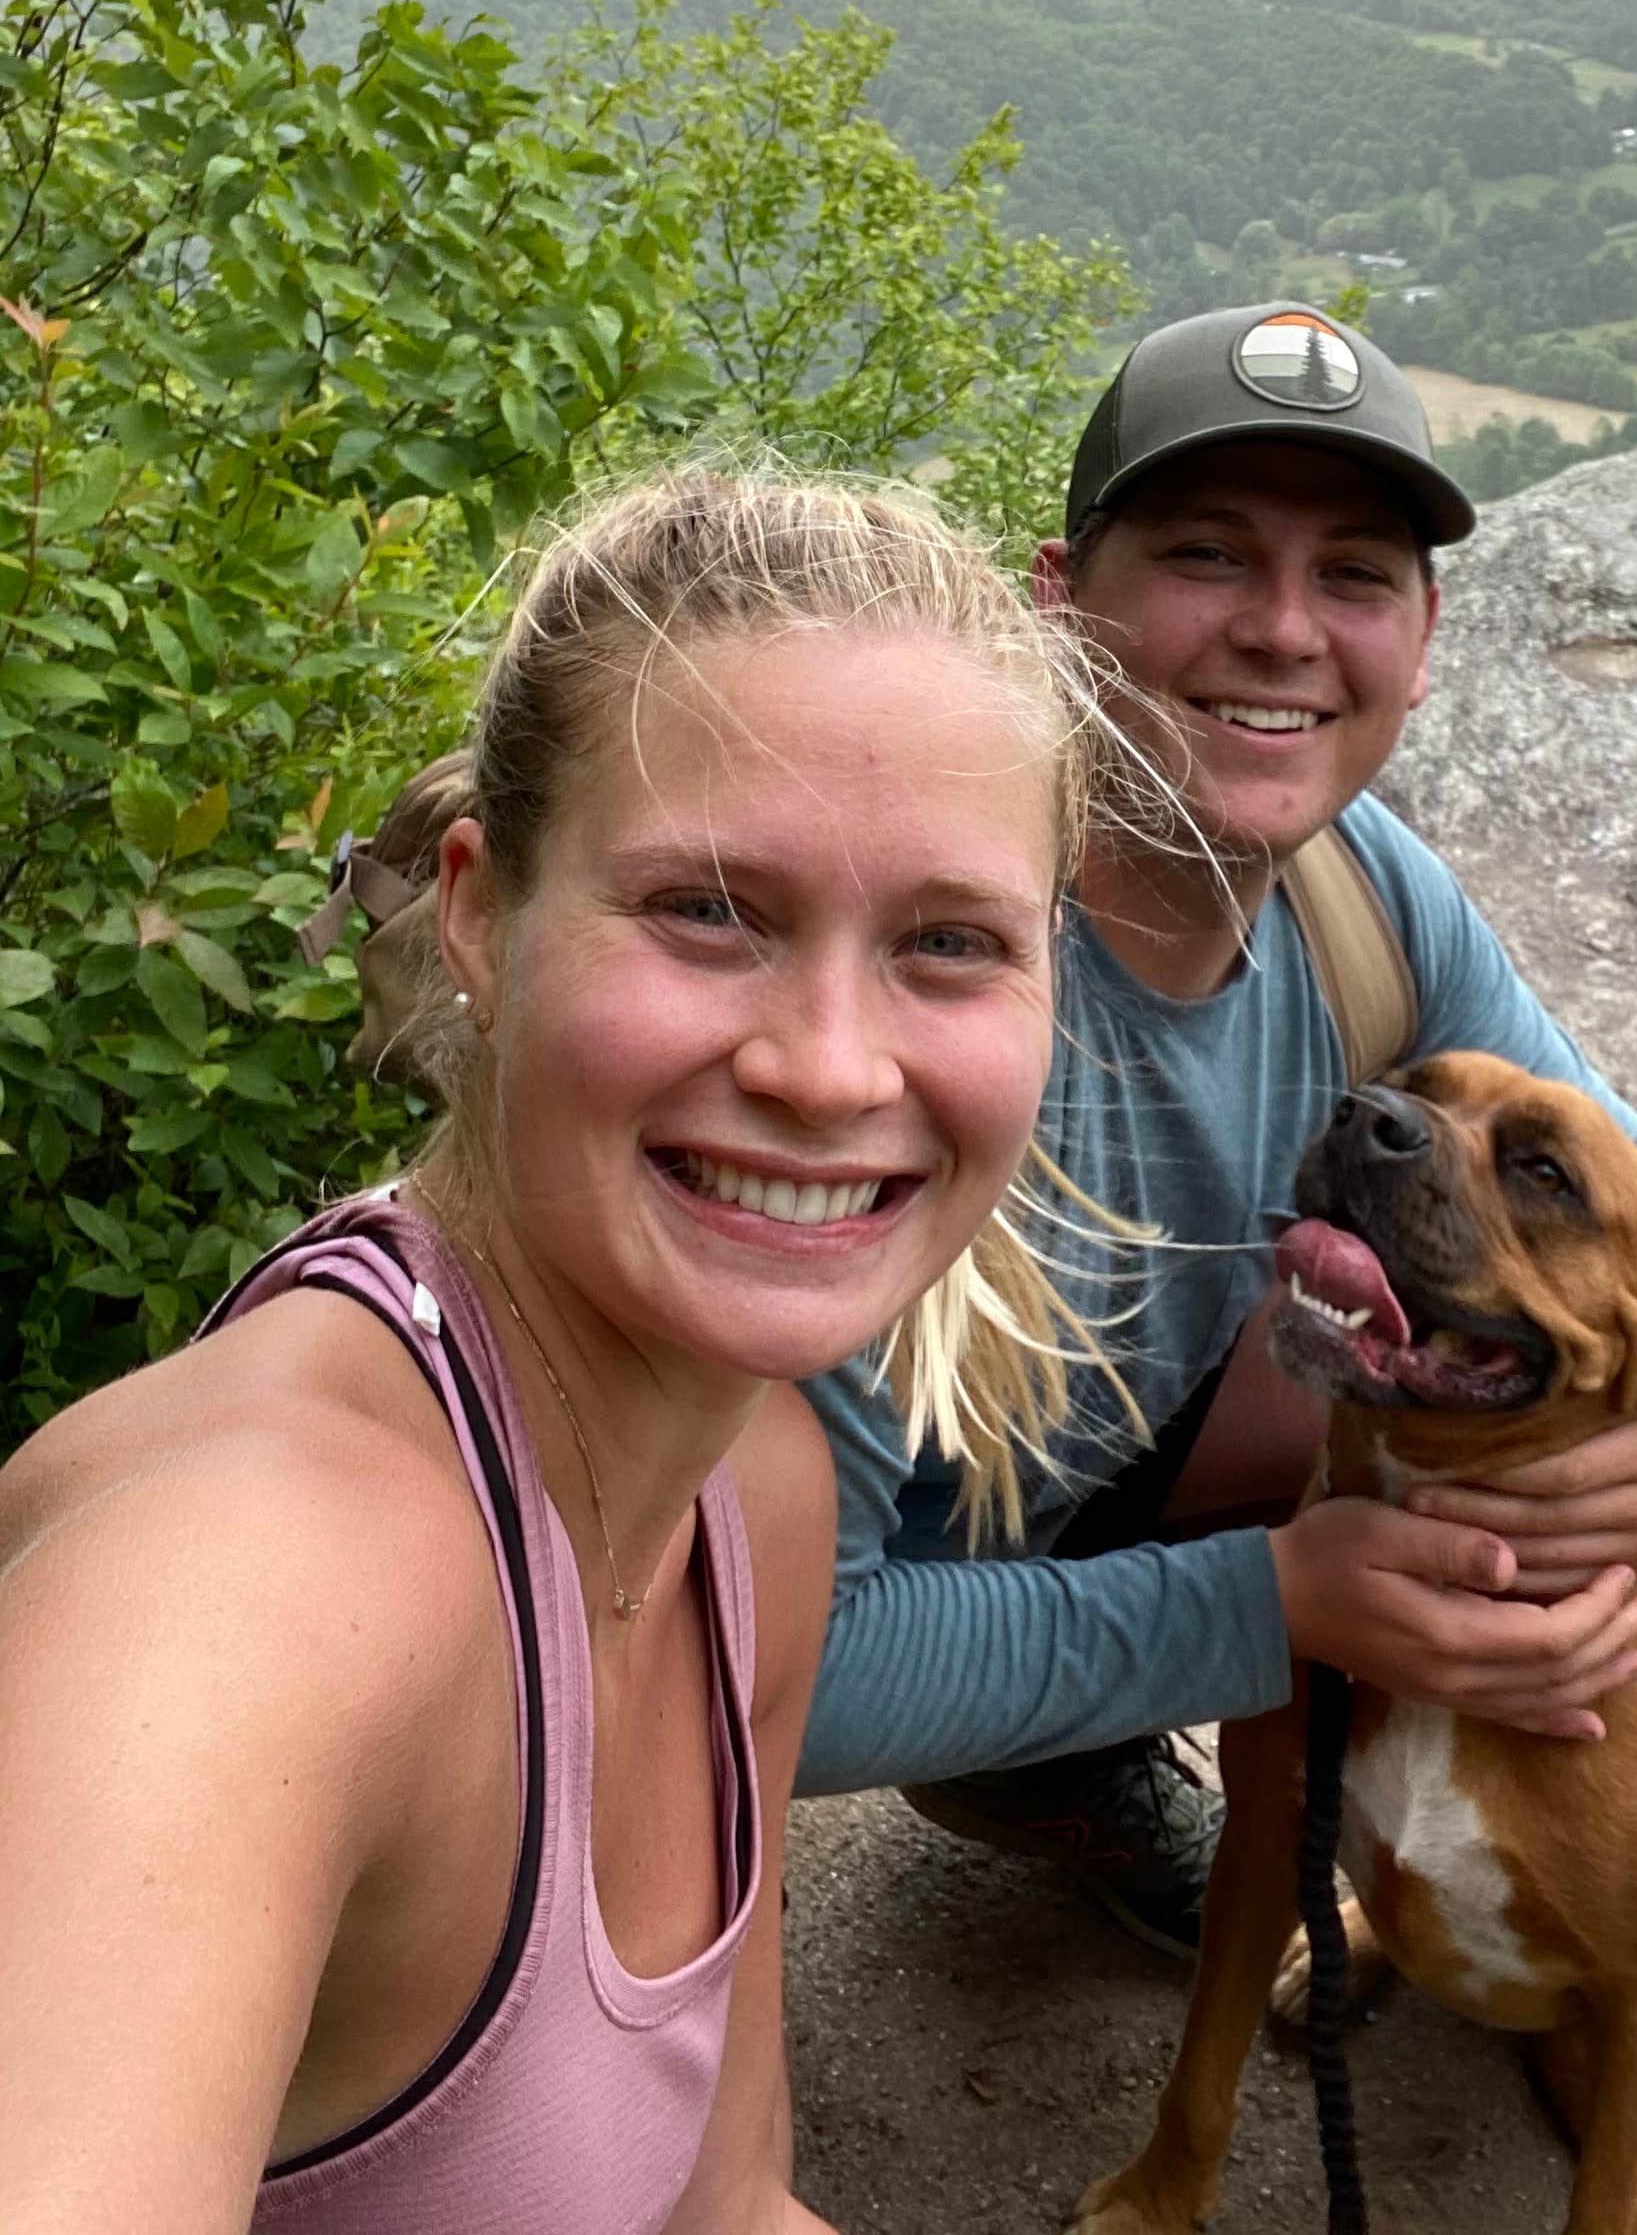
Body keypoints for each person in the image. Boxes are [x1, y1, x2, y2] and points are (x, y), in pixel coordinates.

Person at [0, 469, 1126, 2235]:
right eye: (707, 911)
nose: (832, 1069)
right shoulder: (238, 1593)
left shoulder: (756, 1495)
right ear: (475, 909)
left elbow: (728, 2202)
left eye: (948, 946)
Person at [799, 304, 1637, 1954]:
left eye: (1354, 574)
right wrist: (1271, 1611)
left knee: (1403, 1278)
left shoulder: (1360, 888)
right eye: (1206, 554)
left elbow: (1628, 1171)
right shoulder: (905, 988)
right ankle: (1042, 1740)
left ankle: (1058, 1748)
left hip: (1093, 1482)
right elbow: (773, 1678)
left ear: (1422, 633)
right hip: (843, 1599)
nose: (1283, 631)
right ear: (1059, 603)